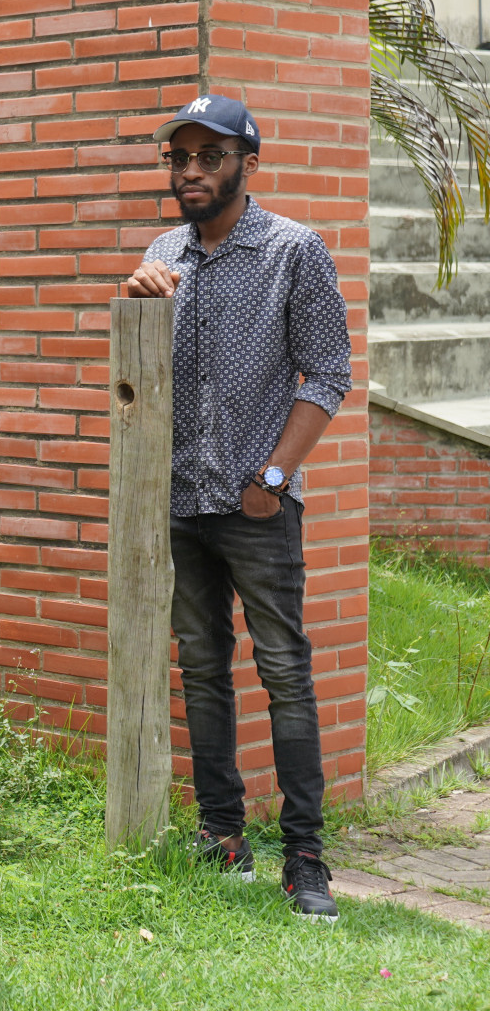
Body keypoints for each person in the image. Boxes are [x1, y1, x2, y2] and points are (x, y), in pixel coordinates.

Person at [122, 93, 351, 921]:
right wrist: (138, 307)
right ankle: (222, 835)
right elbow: (139, 379)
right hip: (179, 503)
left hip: (257, 508)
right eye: (179, 157)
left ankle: (305, 858)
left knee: (284, 671)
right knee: (203, 670)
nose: (190, 171)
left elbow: (329, 374)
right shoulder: (161, 253)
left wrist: (275, 478)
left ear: (246, 164)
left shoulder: (294, 249)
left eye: (209, 156)